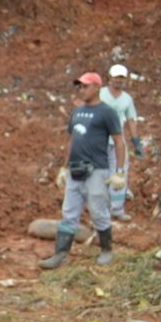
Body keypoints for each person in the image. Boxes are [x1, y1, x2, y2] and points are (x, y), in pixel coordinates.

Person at [40, 72, 126, 269]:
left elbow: (119, 142)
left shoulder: (107, 112)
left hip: (96, 170)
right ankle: (60, 255)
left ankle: (106, 250)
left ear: (97, 87)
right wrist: (64, 167)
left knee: (98, 211)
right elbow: (72, 141)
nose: (81, 90)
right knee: (69, 212)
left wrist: (119, 171)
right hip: (75, 170)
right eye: (79, 86)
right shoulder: (77, 112)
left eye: (85, 86)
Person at [100, 63, 143, 221]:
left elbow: (131, 120)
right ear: (110, 78)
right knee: (100, 174)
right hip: (99, 139)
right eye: (116, 77)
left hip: (117, 141)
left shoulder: (126, 99)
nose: (119, 81)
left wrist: (136, 141)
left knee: (120, 172)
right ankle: (99, 209)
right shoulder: (100, 94)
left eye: (122, 78)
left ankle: (117, 210)